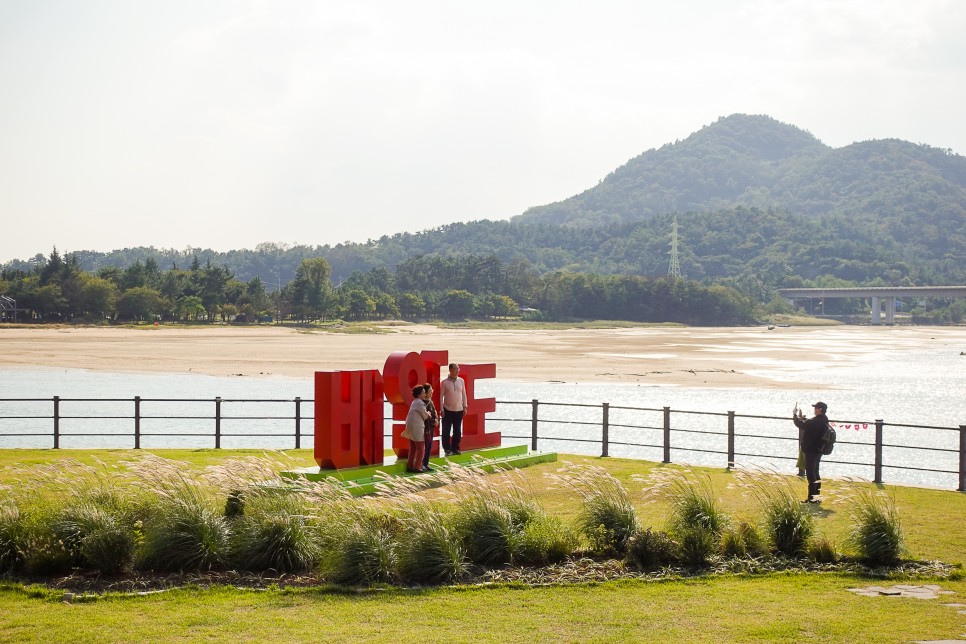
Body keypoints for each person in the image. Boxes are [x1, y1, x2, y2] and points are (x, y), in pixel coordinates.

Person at [793, 401, 829, 503]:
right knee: (816, 472)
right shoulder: (824, 420)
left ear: (820, 409)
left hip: (811, 450)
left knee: (811, 474)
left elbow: (801, 425)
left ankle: (811, 498)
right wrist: (802, 418)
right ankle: (816, 497)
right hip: (818, 450)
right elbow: (808, 424)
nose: (814, 409)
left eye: (816, 408)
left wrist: (794, 416)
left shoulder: (816, 421)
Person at [439, 362, 467, 456]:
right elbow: (441, 396)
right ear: (450, 370)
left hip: (459, 409)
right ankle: (447, 449)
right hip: (447, 410)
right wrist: (441, 409)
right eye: (455, 369)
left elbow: (464, 394)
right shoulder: (444, 382)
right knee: (446, 431)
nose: (457, 371)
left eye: (458, 369)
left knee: (457, 431)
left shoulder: (461, 381)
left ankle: (455, 448)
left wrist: (465, 406)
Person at [402, 385, 429, 473]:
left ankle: (410, 466)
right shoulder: (420, 403)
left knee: (413, 448)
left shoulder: (414, 402)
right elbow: (425, 416)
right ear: (419, 394)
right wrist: (428, 413)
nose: (425, 394)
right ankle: (417, 467)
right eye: (423, 392)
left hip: (411, 427)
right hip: (417, 427)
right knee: (420, 448)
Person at [421, 383, 438, 472]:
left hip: (431, 428)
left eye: (432, 391)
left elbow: (434, 413)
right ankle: (422, 464)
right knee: (425, 446)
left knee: (429, 446)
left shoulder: (430, 402)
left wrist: (436, 420)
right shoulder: (423, 403)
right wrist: (433, 421)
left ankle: (426, 463)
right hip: (426, 428)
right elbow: (425, 416)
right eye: (430, 391)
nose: (432, 393)